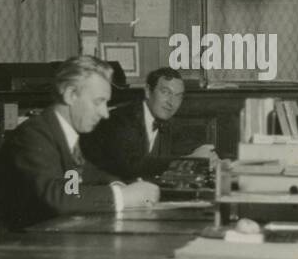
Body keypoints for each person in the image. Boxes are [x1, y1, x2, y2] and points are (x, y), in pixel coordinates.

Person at [0, 56, 160, 230]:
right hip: (11, 246)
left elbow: (85, 174)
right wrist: (122, 197)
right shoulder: (32, 134)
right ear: (71, 95)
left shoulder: (61, 132)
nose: (105, 113)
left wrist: (120, 185)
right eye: (98, 102)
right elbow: (58, 197)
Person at [82, 67, 214, 182]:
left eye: (178, 96)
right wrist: (191, 160)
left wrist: (215, 160)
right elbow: (132, 166)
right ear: (148, 91)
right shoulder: (121, 119)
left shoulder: (168, 123)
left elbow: (191, 148)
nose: (171, 102)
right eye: (165, 92)